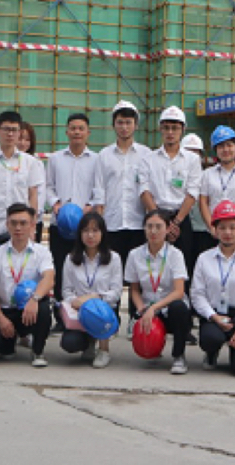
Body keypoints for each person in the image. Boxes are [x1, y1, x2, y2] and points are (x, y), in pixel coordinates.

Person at [0, 204, 55, 367]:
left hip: (29, 308)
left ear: (32, 225)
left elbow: (49, 279)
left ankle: (38, 351)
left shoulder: (41, 252)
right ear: (7, 224)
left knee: (44, 309)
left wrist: (34, 299)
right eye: (14, 223)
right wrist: (0, 319)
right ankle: (9, 342)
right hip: (5, 310)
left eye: (23, 223)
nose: (18, 228)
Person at [191, 201, 235, 377]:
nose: (228, 232)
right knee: (211, 338)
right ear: (215, 230)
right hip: (214, 315)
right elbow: (197, 295)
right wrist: (213, 317)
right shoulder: (204, 259)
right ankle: (211, 352)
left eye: (232, 227)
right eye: (222, 227)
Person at [46, 113, 98, 332]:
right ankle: (61, 318)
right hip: (59, 225)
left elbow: (99, 189)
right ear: (66, 131)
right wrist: (55, 204)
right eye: (73, 128)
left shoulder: (96, 160)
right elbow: (48, 186)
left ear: (88, 132)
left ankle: (87, 314)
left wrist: (89, 207)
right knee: (60, 269)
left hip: (86, 227)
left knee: (84, 269)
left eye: (81, 128)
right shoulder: (55, 159)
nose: (77, 132)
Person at [138, 106, 202, 277]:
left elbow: (192, 192)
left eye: (175, 128)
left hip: (181, 219)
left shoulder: (192, 160)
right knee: (152, 267)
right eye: (166, 128)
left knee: (182, 268)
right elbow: (144, 190)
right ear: (160, 129)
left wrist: (175, 223)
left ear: (183, 130)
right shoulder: (148, 159)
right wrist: (159, 221)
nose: (170, 132)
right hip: (155, 217)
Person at [126, 209, 191, 374]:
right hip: (147, 308)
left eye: (158, 226)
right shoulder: (134, 255)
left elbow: (179, 292)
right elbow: (134, 290)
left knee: (179, 308)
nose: (153, 231)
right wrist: (142, 309)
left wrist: (154, 308)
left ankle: (179, 356)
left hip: (169, 307)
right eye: (149, 226)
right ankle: (152, 349)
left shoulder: (175, 255)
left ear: (168, 229)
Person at [60, 212, 124, 368]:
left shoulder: (114, 258)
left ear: (103, 233)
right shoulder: (70, 259)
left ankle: (103, 350)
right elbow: (66, 291)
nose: (90, 235)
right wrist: (76, 302)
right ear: (80, 234)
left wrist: (94, 299)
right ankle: (88, 344)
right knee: (69, 343)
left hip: (105, 310)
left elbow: (116, 292)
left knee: (100, 310)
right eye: (86, 231)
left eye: (95, 230)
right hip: (79, 311)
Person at [93, 100, 151, 266]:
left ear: (136, 125)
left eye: (128, 122)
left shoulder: (146, 154)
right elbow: (99, 190)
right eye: (120, 122)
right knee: (112, 271)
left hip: (138, 224)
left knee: (137, 273)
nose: (124, 127)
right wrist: (99, 223)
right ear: (113, 125)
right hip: (112, 224)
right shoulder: (104, 155)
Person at [0, 111, 43, 246]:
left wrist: (32, 227)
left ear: (19, 132)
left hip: (22, 229)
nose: (10, 134)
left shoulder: (30, 162)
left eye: (14, 130)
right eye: (6, 129)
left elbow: (33, 196)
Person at [16, 120, 47, 242]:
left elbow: (40, 193)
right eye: (20, 139)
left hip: (33, 220)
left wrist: (34, 216)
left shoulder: (37, 164)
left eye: (27, 140)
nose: (23, 143)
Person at [182, 134, 210, 255]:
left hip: (203, 230)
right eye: (188, 151)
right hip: (182, 228)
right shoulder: (176, 175)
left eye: (196, 152)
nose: (192, 156)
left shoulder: (208, 176)